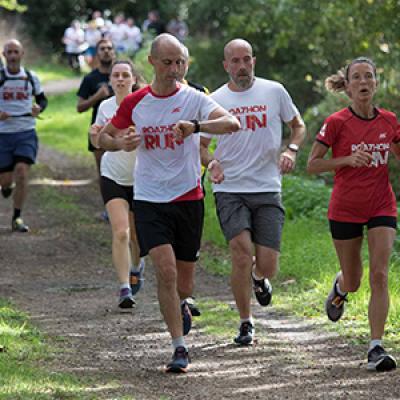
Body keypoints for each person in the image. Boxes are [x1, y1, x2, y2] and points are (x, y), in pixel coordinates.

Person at [99, 33, 240, 373]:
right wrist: (122, 143)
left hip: (188, 197)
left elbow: (232, 123)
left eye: (179, 63)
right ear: (152, 62)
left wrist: (195, 126)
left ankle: (183, 304)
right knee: (165, 270)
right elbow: (104, 136)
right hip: (149, 197)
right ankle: (179, 347)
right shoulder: (135, 102)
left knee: (184, 284)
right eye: (167, 62)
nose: (174, 69)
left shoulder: (193, 98)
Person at [200, 38, 305, 346]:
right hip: (230, 188)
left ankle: (260, 279)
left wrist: (293, 150)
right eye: (235, 61)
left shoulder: (274, 91)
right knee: (241, 253)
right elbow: (201, 146)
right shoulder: (215, 101)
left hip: (267, 186)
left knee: (268, 263)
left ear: (254, 61)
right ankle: (246, 322)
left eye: (247, 59)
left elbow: (297, 125)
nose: (242, 66)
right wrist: (212, 163)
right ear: (226, 65)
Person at [307, 57, 398, 372]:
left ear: (375, 83)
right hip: (345, 207)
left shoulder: (389, 120)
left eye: (368, 76)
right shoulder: (336, 122)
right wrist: (345, 160)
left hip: (381, 205)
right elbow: (313, 163)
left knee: (380, 274)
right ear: (347, 86)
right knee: (356, 280)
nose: (363, 82)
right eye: (356, 77)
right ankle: (340, 287)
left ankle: (375, 347)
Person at [90, 60, 145, 309]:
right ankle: (124, 287)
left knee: (136, 235)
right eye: (116, 76)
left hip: (142, 177)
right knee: (121, 231)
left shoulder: (145, 104)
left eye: (125, 75)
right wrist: (96, 136)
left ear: (133, 79)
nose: (121, 79)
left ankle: (137, 267)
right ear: (110, 80)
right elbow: (100, 138)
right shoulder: (104, 106)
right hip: (113, 174)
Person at [0, 39, 48, 232]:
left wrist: (38, 108)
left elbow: (42, 100)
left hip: (25, 132)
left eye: (15, 52)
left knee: (22, 171)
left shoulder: (30, 77)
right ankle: (5, 186)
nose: (12, 56)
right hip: (2, 134)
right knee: (5, 180)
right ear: (4, 55)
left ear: (22, 54)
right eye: (9, 52)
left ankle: (17, 217)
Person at [77, 39, 115, 220]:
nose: (106, 51)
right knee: (103, 172)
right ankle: (109, 209)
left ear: (114, 52)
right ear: (97, 53)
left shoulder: (122, 75)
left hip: (121, 130)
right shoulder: (90, 78)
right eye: (102, 49)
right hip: (98, 130)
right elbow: (80, 107)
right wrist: (97, 96)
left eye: (109, 48)